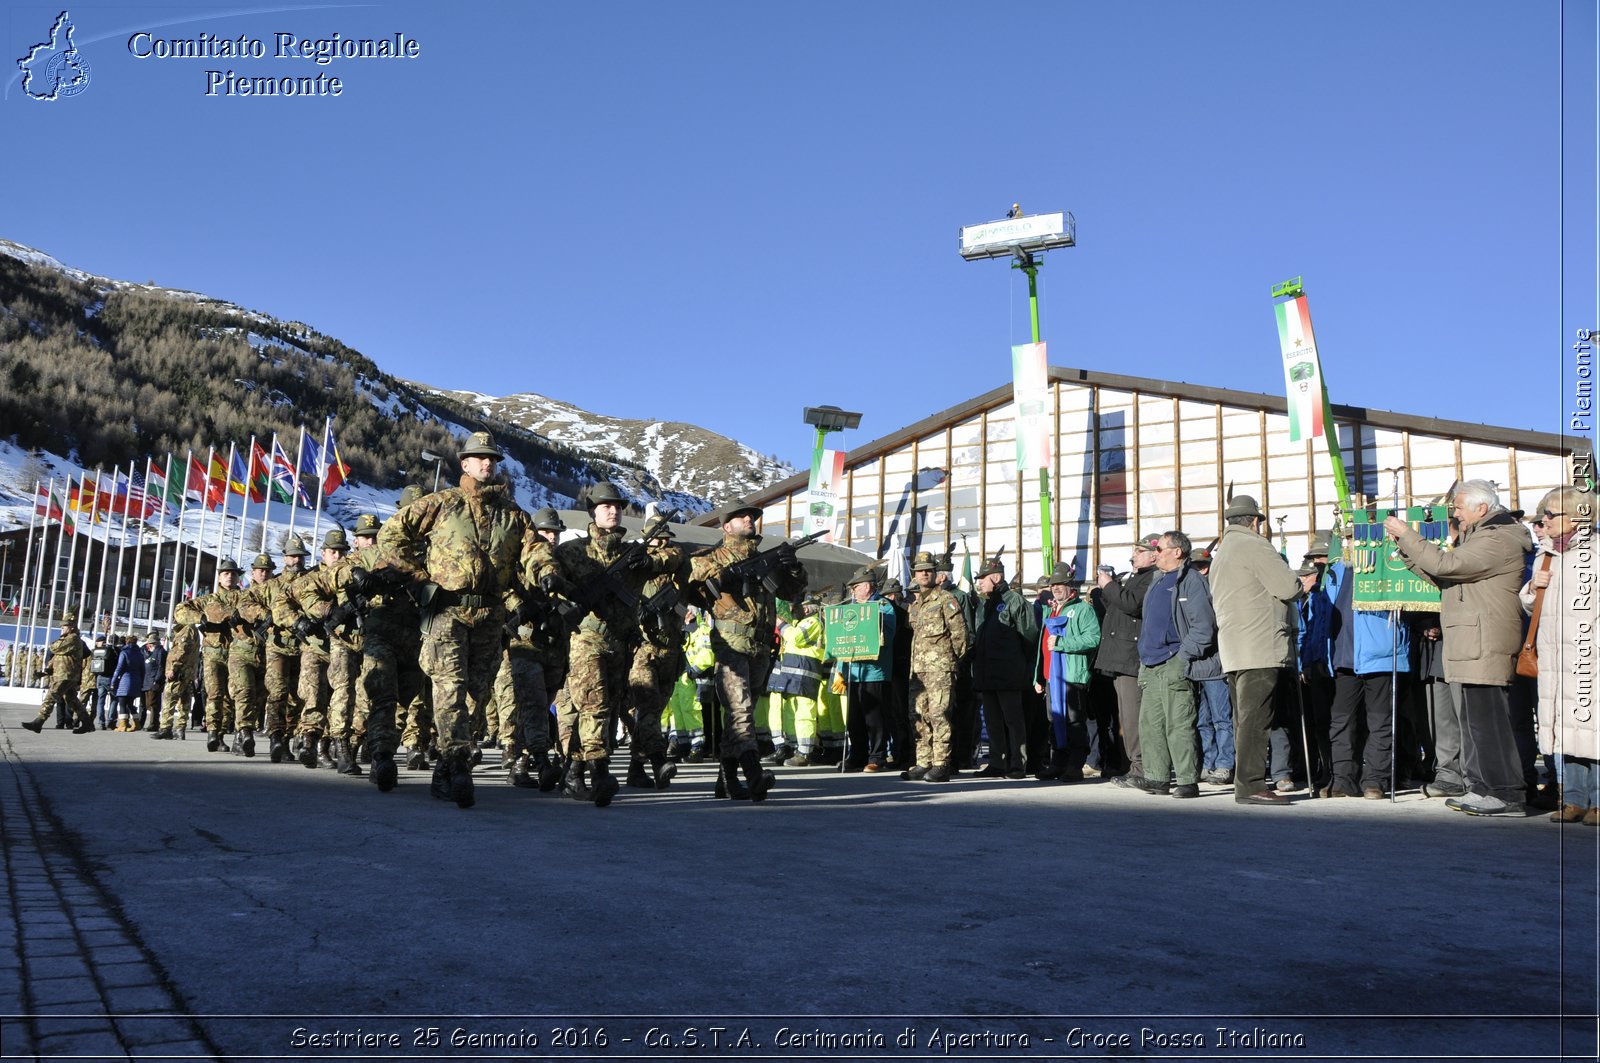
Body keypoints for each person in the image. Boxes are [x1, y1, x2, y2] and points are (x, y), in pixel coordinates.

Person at [377, 431, 533, 809]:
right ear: (464, 464)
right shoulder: (443, 504)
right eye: (479, 458)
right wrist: (418, 577)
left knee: (476, 695)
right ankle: (460, 764)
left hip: (490, 615)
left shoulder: (513, 515)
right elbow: (391, 535)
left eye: (492, 459)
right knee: (450, 687)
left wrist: (543, 574)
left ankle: (445, 766)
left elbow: (533, 553)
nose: (487, 463)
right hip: (447, 611)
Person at [1385, 480, 1533, 817]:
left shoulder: (1497, 537)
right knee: (1474, 724)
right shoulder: (1481, 536)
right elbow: (1446, 576)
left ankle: (1507, 794)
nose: (1456, 515)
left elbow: (1447, 566)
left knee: (1490, 724)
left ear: (1482, 508)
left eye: (1459, 508)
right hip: (1473, 642)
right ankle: (1482, 788)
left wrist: (1410, 535)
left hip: (1486, 642)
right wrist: (1407, 551)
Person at [550, 483, 680, 806]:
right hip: (587, 638)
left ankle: (572, 773)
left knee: (604, 710)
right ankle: (601, 772)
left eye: (618, 506)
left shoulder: (632, 554)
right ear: (593, 511)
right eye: (606, 505)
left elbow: (675, 557)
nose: (613, 510)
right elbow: (548, 572)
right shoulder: (574, 552)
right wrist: (566, 597)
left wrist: (649, 563)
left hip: (620, 643)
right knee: (595, 704)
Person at [687, 503, 807, 801]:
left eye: (752, 517)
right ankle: (753, 774)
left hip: (761, 645)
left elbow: (791, 593)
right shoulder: (712, 557)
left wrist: (791, 566)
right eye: (742, 516)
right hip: (731, 643)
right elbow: (697, 583)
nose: (749, 519)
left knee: (741, 714)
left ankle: (726, 780)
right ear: (726, 527)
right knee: (739, 709)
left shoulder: (765, 559)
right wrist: (733, 576)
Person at [1209, 496, 1303, 806]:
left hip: (1234, 648)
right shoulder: (1255, 545)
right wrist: (1301, 582)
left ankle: (1246, 782)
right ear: (1254, 521)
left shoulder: (1222, 553)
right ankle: (1250, 785)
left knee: (1243, 720)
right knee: (1255, 720)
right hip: (1260, 645)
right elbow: (1288, 587)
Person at [1519, 485, 1598, 824]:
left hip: (1588, 657)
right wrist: (1532, 588)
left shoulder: (1595, 552)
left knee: (1593, 728)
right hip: (1553, 656)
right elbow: (1531, 606)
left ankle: (1598, 801)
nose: (1545, 520)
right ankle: (1575, 799)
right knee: (1565, 729)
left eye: (1552, 514)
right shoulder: (1546, 552)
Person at [1131, 531, 1216, 799]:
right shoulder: (1158, 581)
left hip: (1174, 661)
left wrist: (1183, 657)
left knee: (1179, 724)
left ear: (1177, 552)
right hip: (1151, 664)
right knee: (1150, 724)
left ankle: (1187, 781)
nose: (1155, 553)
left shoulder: (1190, 581)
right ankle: (1156, 778)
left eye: (1161, 548)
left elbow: (1203, 627)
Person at [1321, 548, 1411, 799]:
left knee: (1380, 722)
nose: (1348, 541)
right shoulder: (1335, 570)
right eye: (1345, 536)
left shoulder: (1387, 563)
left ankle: (1374, 780)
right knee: (1341, 722)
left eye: (1353, 535)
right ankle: (1342, 779)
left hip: (1380, 655)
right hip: (1343, 658)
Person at [295, 530, 365, 774]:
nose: (337, 555)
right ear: (323, 553)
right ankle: (312, 742)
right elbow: (294, 600)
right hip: (318, 645)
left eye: (341, 551)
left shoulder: (355, 571)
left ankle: (332, 744)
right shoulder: (313, 578)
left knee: (350, 695)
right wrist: (322, 613)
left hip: (350, 641)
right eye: (332, 551)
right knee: (317, 695)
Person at [1096, 535, 1162, 787]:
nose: (1133, 555)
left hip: (1130, 658)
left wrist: (1110, 585)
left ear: (1153, 555)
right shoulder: (1137, 577)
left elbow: (1132, 604)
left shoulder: (1151, 578)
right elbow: (1118, 609)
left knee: (1134, 717)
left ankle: (1142, 767)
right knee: (1126, 716)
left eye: (1139, 551)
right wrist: (1106, 589)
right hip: (1120, 658)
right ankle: (1136, 765)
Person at [971, 555, 1040, 779]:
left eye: (983, 578)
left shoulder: (1015, 601)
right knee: (992, 721)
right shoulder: (984, 605)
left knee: (1013, 720)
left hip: (1009, 673)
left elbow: (1029, 636)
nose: (979, 582)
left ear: (997, 577)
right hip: (987, 673)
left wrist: (1019, 665)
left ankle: (1018, 764)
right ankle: (997, 762)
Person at [904, 550, 970, 782]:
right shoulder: (915, 605)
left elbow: (960, 635)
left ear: (935, 574)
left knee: (939, 714)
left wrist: (950, 662)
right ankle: (924, 761)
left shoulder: (945, 600)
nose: (924, 574)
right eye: (920, 571)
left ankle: (942, 763)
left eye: (929, 571)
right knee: (918, 715)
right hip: (918, 670)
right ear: (914, 574)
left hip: (940, 668)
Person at [1034, 561, 1101, 781]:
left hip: (1073, 676)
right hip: (1052, 677)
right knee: (1055, 721)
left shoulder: (1083, 609)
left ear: (1071, 585)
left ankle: (1075, 764)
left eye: (1061, 584)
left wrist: (1063, 642)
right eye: (1053, 584)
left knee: (1074, 721)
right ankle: (1058, 763)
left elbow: (1093, 638)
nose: (1056, 587)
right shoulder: (1052, 610)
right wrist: (1038, 676)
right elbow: (1042, 647)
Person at [833, 566, 897, 773]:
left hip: (874, 671)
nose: (853, 591)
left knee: (875, 718)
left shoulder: (883, 605)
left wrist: (869, 621)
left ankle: (877, 757)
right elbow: (843, 639)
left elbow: (886, 636)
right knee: (854, 718)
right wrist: (841, 669)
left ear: (867, 586)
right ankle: (857, 755)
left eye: (856, 586)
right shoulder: (849, 608)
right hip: (853, 671)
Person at [259, 536, 310, 762]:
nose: (296, 560)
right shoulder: (273, 585)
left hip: (304, 646)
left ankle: (289, 738)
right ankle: (276, 737)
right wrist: (265, 615)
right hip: (278, 646)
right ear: (285, 558)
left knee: (297, 697)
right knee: (278, 692)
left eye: (299, 556)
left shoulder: (312, 581)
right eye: (292, 556)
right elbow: (246, 602)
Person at [768, 596, 828, 766]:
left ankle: (805, 751)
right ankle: (795, 748)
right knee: (791, 713)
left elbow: (796, 638)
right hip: (792, 675)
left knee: (804, 713)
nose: (793, 611)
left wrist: (781, 624)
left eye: (797, 607)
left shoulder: (813, 622)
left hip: (806, 674)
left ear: (807, 608)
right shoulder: (798, 623)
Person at [21, 609, 93, 735]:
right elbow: (57, 657)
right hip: (64, 674)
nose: (62, 629)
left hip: (66, 675)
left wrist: (58, 641)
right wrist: (48, 670)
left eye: (64, 627)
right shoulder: (68, 639)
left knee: (51, 696)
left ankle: (39, 722)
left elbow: (55, 647)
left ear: (71, 627)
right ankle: (87, 723)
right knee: (72, 701)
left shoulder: (73, 638)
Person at [153, 601, 200, 740]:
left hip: (180, 671)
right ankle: (180, 729)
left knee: (169, 698)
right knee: (184, 702)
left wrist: (173, 668)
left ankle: (165, 728)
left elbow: (181, 650)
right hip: (188, 672)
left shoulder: (186, 630)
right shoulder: (190, 629)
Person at [110, 632, 146, 732]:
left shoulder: (124, 652)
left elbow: (119, 668)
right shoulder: (140, 654)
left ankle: (123, 724)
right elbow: (143, 670)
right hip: (136, 681)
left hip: (125, 680)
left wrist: (113, 681)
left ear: (127, 641)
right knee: (130, 703)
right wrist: (141, 682)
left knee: (122, 702)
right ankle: (137, 723)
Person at [139, 631, 164, 733]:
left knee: (153, 704)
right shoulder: (147, 652)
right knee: (145, 704)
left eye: (151, 644)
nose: (148, 645)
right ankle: (141, 723)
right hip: (146, 680)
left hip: (154, 681)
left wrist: (157, 680)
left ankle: (153, 724)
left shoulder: (160, 652)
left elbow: (160, 667)